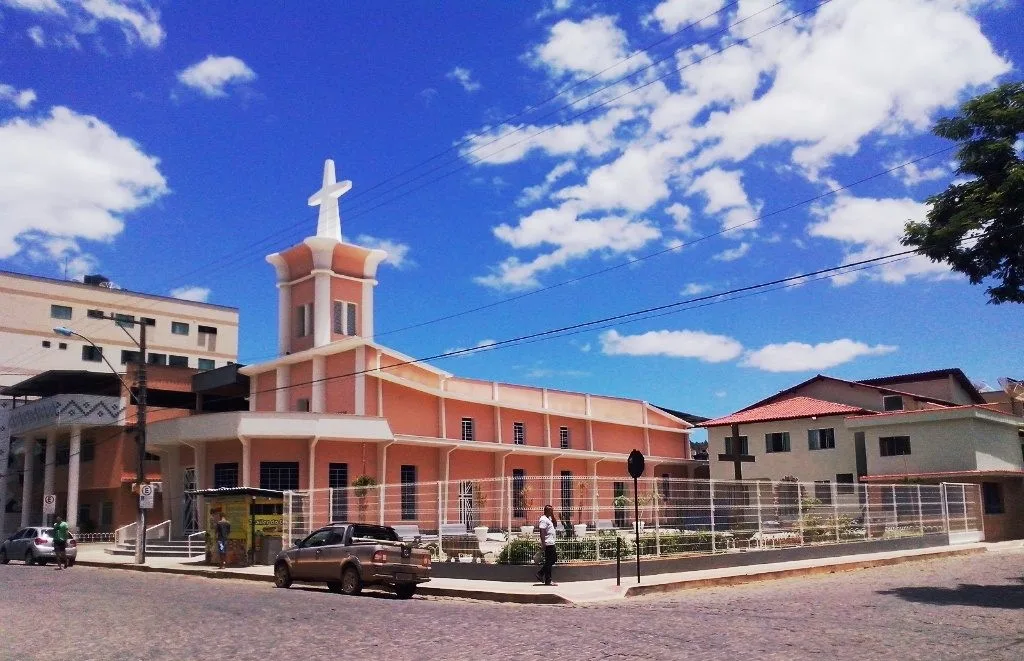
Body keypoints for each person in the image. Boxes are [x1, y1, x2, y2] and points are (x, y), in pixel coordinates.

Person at [535, 504, 558, 586]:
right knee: (552, 559)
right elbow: (542, 531)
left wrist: (553, 516)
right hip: (548, 543)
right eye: (551, 510)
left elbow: (555, 525)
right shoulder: (543, 519)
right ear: (547, 510)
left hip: (551, 542)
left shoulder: (549, 519)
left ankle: (548, 580)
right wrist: (543, 543)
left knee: (549, 561)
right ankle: (540, 573)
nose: (552, 511)